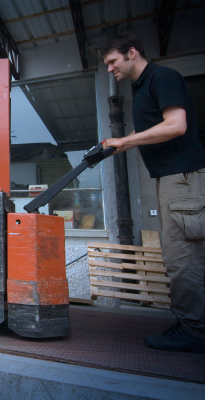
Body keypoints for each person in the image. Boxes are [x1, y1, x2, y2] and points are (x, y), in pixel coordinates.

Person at [101, 35, 205, 353]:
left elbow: (175, 125)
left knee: (181, 258)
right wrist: (119, 143)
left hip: (182, 178)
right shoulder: (142, 86)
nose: (109, 70)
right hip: (172, 179)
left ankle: (195, 332)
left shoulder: (163, 77)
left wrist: (127, 142)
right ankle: (193, 324)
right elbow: (153, 125)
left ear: (132, 53)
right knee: (186, 256)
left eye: (112, 61)